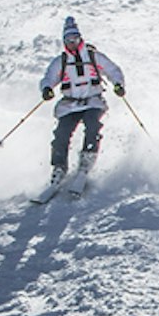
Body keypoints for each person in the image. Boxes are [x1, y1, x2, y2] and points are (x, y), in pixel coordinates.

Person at [39, 15, 125, 193]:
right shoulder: (61, 61)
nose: (72, 43)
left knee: (93, 125)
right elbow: (49, 78)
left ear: (80, 38)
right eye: (68, 40)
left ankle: (86, 161)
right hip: (70, 104)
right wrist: (47, 88)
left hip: (92, 101)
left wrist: (118, 84)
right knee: (61, 133)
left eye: (75, 39)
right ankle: (59, 168)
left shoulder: (93, 56)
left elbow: (112, 70)